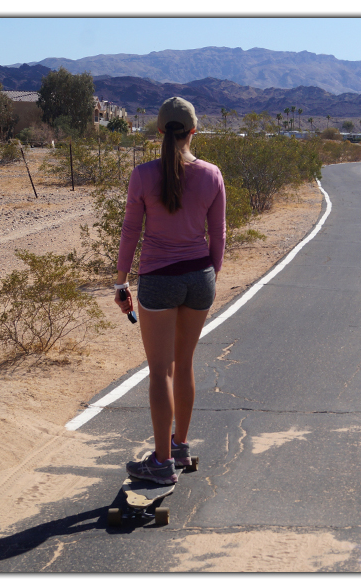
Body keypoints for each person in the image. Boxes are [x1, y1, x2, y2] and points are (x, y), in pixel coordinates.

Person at [114, 97, 226, 484]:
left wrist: (121, 280)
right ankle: (179, 446)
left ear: (159, 130)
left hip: (159, 281)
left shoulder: (143, 175)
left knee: (159, 370)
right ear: (194, 131)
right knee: (185, 364)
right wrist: (209, 279)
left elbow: (131, 231)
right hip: (200, 278)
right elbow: (219, 236)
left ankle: (161, 464)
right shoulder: (212, 175)